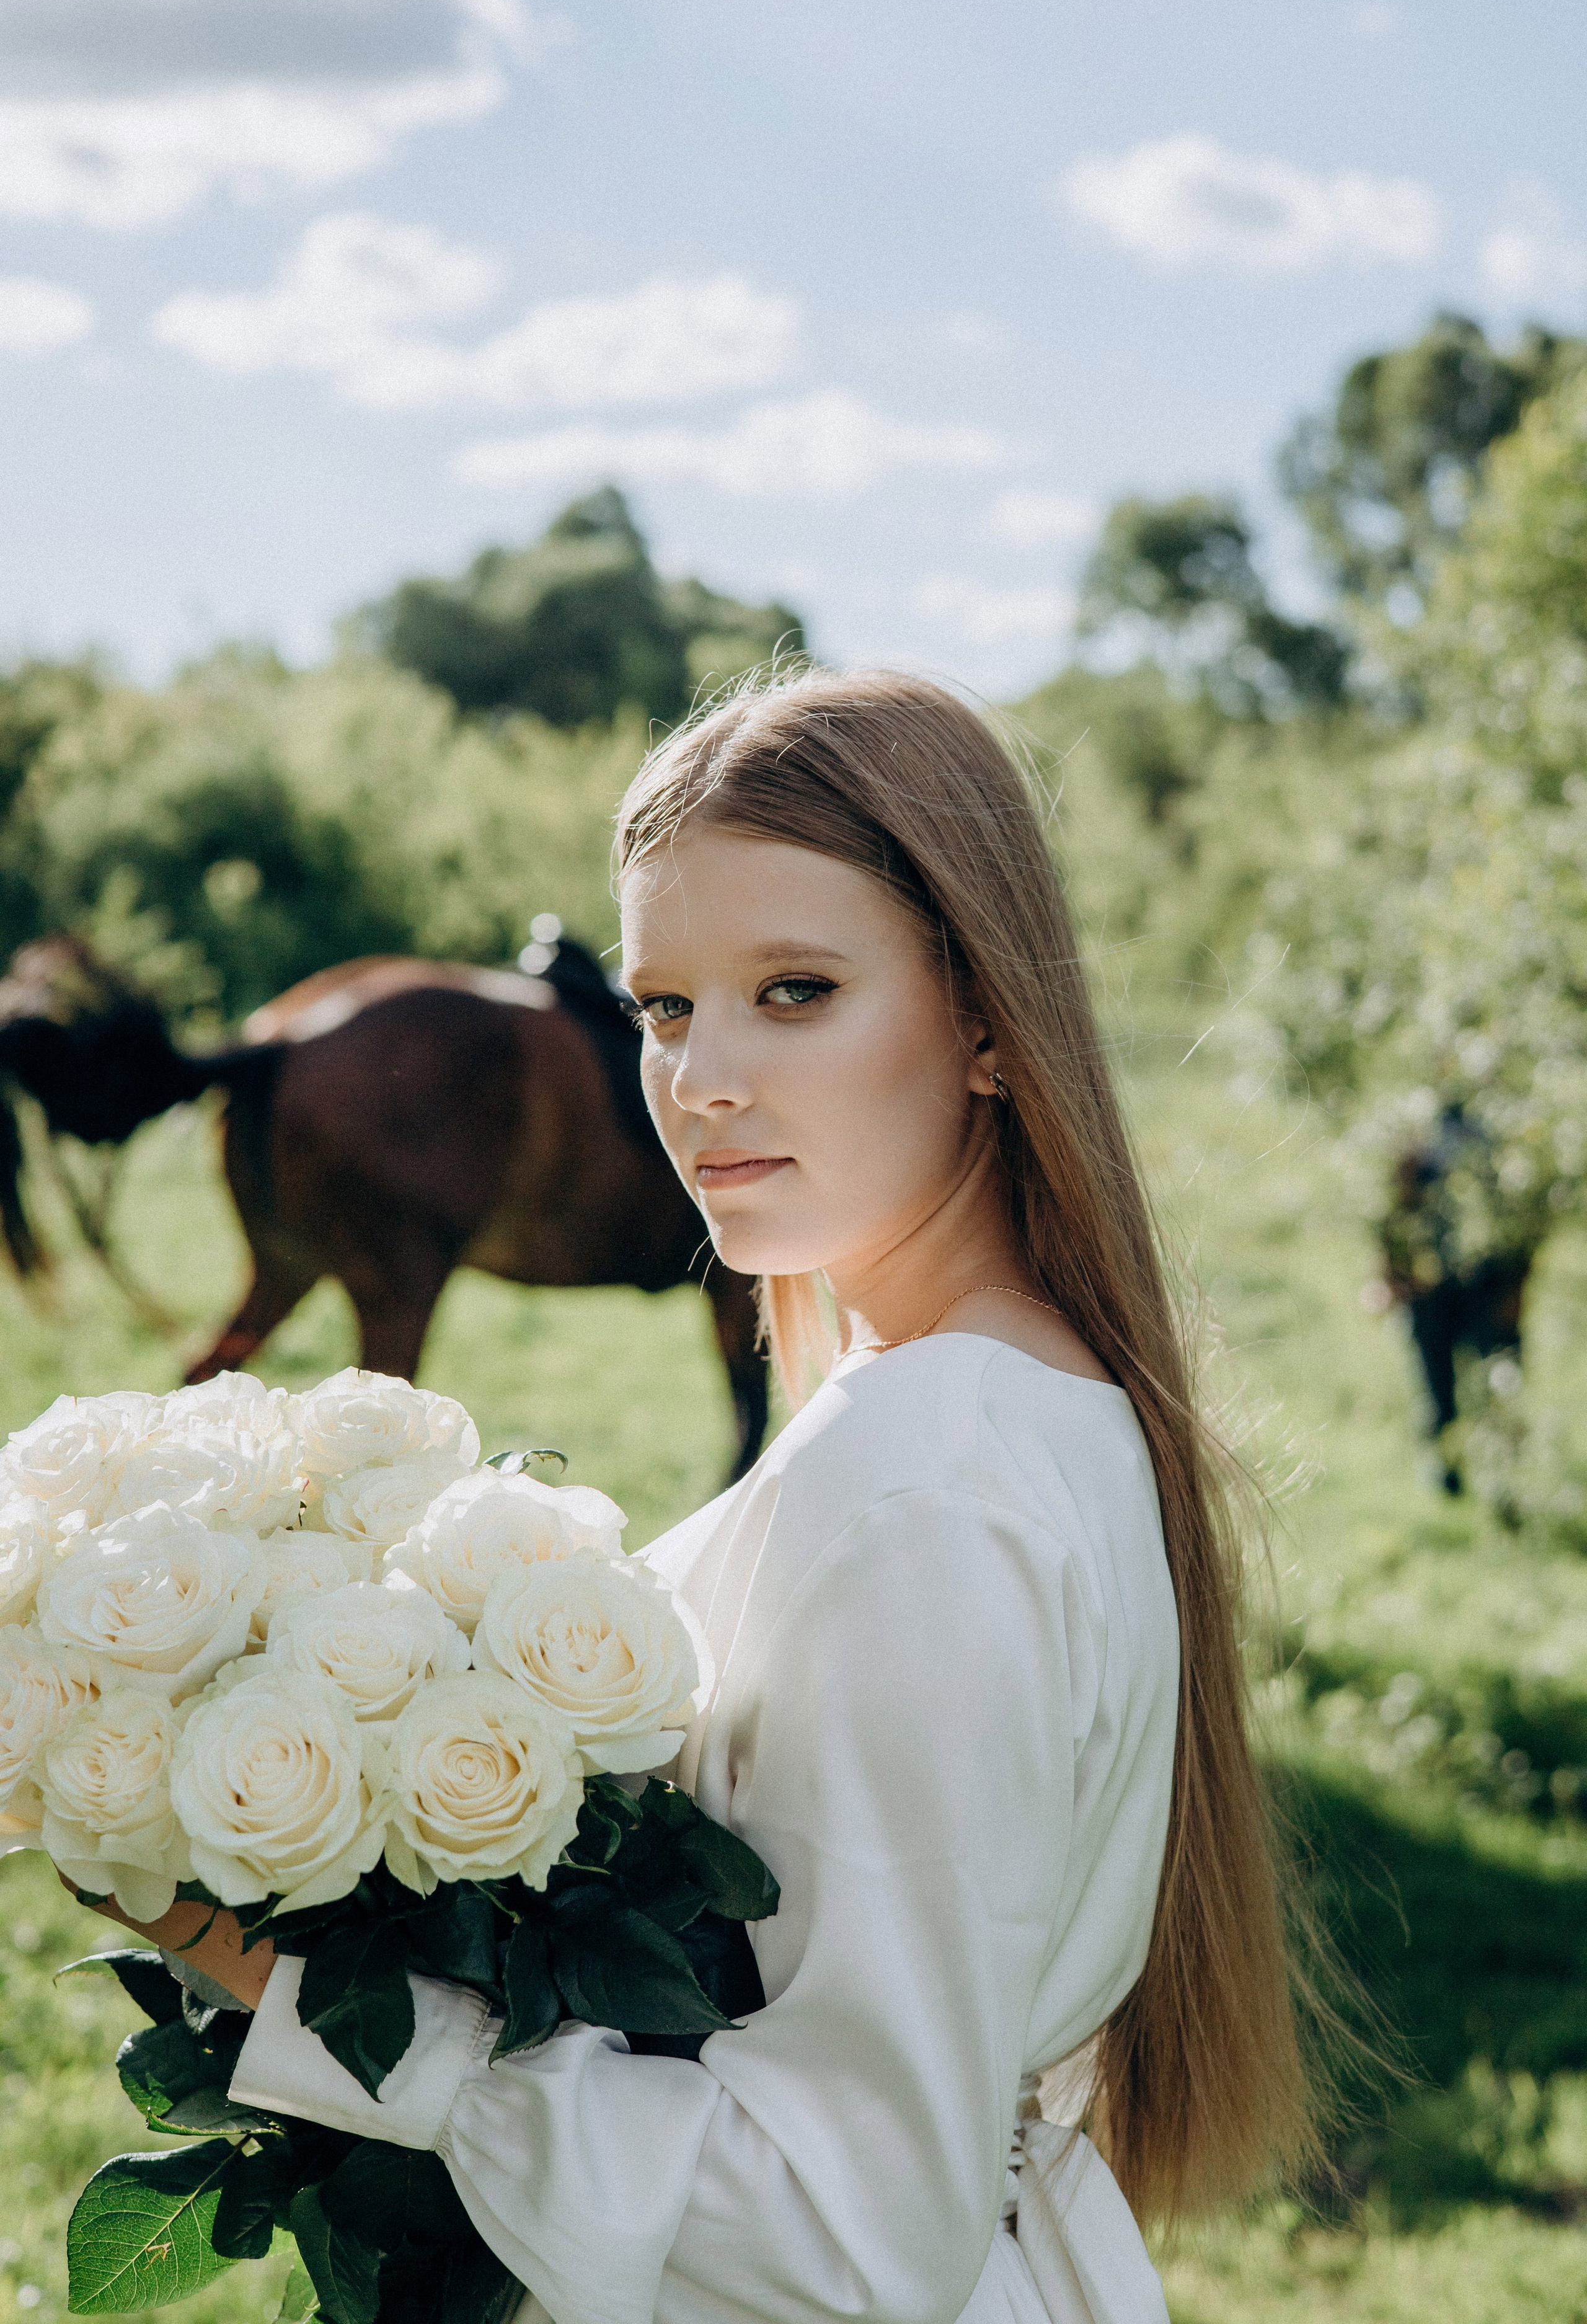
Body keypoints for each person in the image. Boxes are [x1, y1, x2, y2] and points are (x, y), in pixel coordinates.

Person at [125, 670, 1316, 2323]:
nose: (698, 1081)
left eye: (798, 990)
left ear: (983, 1017)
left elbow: (847, 2235)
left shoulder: (930, 1484)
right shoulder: (1007, 1398)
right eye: (667, 1009)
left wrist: (304, 1994)